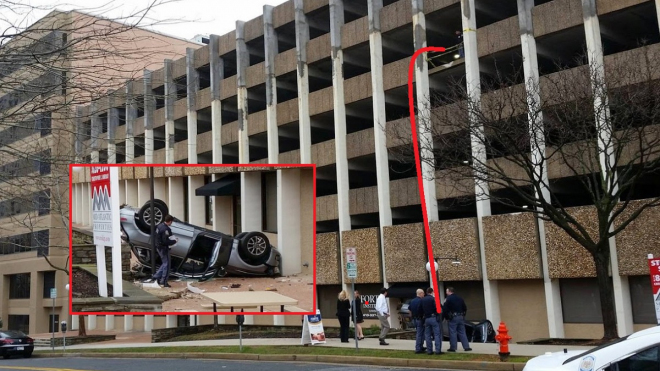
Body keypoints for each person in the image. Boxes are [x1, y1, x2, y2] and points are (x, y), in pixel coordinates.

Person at [145, 214, 177, 287]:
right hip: (164, 248)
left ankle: (156, 276)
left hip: (159, 247)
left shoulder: (159, 226)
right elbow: (165, 241)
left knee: (164, 263)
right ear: (170, 221)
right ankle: (164, 281)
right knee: (167, 264)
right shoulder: (166, 229)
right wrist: (174, 241)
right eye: (171, 222)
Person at [444, 286, 472, 352]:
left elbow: (445, 309)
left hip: (453, 317)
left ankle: (453, 348)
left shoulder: (448, 299)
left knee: (453, 332)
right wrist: (463, 315)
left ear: (449, 291)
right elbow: (465, 307)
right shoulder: (460, 298)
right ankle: (466, 347)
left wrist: (447, 317)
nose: (446, 292)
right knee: (462, 332)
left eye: (446, 291)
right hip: (461, 316)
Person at [422, 287, 443, 355]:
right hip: (433, 317)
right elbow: (438, 307)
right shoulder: (433, 299)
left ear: (426, 292)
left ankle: (429, 350)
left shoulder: (423, 299)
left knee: (427, 335)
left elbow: (421, 309)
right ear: (432, 292)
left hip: (426, 318)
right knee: (437, 334)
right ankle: (437, 350)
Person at [409, 288, 428, 354]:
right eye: (423, 293)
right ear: (420, 293)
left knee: (420, 333)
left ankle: (421, 346)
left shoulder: (412, 301)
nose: (424, 294)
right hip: (420, 319)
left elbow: (410, 310)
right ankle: (418, 348)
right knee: (420, 334)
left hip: (414, 319)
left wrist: (412, 317)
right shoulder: (421, 301)